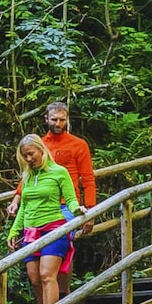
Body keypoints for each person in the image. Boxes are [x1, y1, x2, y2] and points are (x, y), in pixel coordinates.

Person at [5, 133, 84, 304]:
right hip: (31, 232)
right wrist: (15, 229)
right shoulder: (28, 176)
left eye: (31, 154)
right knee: (34, 278)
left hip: (54, 229)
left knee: (47, 275)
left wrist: (78, 212)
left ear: (41, 150)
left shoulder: (59, 172)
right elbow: (24, 206)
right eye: (25, 156)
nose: (29, 159)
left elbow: (71, 199)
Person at [40, 101, 97, 266]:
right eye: (54, 119)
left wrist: (90, 213)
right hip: (41, 205)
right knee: (40, 257)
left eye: (62, 120)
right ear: (46, 119)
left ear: (67, 120)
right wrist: (17, 197)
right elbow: (29, 175)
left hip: (67, 205)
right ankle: (57, 291)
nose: (58, 124)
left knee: (58, 249)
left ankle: (64, 292)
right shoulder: (40, 145)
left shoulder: (78, 144)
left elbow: (88, 179)